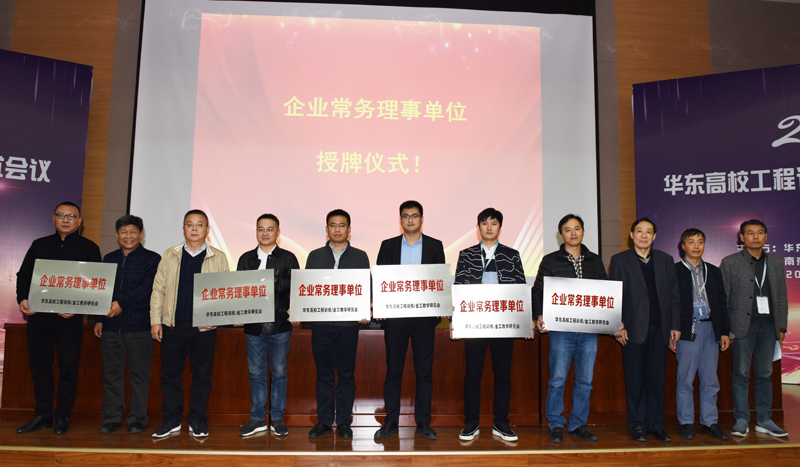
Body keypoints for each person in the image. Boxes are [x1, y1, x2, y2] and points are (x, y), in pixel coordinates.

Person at [15, 201, 101, 434]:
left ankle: (62, 415)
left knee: (68, 368)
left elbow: (96, 284)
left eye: (71, 216)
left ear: (80, 221)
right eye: (61, 215)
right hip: (39, 318)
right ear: (53, 218)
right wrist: (22, 299)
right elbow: (24, 275)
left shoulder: (89, 248)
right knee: (40, 368)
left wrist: (79, 308)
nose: (66, 219)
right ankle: (42, 415)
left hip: (69, 320)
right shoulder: (39, 245)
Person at [150, 209, 229, 439]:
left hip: (204, 328)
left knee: (202, 376)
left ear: (207, 229)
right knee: (170, 376)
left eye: (199, 224)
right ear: (183, 228)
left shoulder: (218, 257)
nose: (194, 229)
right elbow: (158, 289)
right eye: (189, 224)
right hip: (173, 325)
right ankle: (171, 420)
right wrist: (156, 320)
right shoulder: (170, 254)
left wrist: (220, 317)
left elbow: (225, 291)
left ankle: (197, 420)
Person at [374, 201, 445, 441]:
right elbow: (381, 279)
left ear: (422, 219)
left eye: (415, 215)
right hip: (395, 319)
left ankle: (423, 422)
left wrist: (442, 305)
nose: (410, 219)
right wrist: (380, 304)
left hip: (424, 319)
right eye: (406, 216)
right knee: (394, 371)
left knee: (424, 372)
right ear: (400, 220)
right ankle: (391, 421)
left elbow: (439, 279)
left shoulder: (435, 245)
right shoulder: (388, 246)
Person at [532, 214, 607, 443]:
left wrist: (613, 318)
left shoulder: (595, 261)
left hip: (588, 329)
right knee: (557, 378)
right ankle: (555, 423)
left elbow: (606, 293)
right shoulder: (550, 260)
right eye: (567, 229)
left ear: (583, 231)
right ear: (561, 234)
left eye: (577, 228)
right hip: (560, 329)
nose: (573, 233)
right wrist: (538, 315)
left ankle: (578, 424)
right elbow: (538, 290)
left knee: (585, 380)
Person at [454, 208, 527, 442]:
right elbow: (459, 288)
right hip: (475, 325)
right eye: (484, 223)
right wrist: (457, 321)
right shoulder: (466, 255)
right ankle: (471, 423)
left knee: (503, 375)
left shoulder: (512, 255)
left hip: (504, 325)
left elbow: (520, 289)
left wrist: (524, 321)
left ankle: (501, 423)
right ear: (478, 228)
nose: (488, 227)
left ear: (499, 228)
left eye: (493, 223)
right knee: (472, 374)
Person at [609, 217, 680, 442]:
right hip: (632, 330)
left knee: (657, 380)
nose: (644, 235)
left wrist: (675, 325)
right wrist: (618, 323)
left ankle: (656, 425)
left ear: (654, 236)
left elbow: (674, 295)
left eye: (648, 232)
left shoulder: (666, 260)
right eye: (639, 231)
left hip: (660, 329)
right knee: (635, 380)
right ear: (631, 235)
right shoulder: (619, 260)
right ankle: (637, 425)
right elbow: (614, 296)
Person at [305, 209, 370, 440]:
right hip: (321, 326)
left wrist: (365, 309)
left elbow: (365, 288)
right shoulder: (314, 256)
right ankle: (324, 421)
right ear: (327, 229)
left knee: (346, 375)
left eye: (342, 225)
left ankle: (343, 421)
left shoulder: (360, 256)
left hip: (348, 327)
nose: (337, 229)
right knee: (323, 375)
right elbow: (307, 289)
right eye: (333, 225)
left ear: (349, 229)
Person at [720, 219, 788, 438]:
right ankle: (741, 419)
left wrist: (782, 327)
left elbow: (782, 297)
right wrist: (725, 330)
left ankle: (764, 420)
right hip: (741, 328)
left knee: (765, 374)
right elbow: (723, 298)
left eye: (760, 233)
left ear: (766, 236)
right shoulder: (730, 262)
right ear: (741, 237)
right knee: (740, 374)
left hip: (769, 327)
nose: (755, 237)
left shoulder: (775, 263)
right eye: (750, 233)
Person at [94, 215, 161, 434]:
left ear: (141, 234)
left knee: (139, 376)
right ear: (117, 235)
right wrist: (98, 319)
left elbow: (148, 288)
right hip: (111, 327)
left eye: (133, 232)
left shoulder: (152, 259)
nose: (128, 236)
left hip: (139, 327)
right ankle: (112, 418)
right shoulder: (109, 259)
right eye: (124, 232)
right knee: (111, 376)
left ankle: (137, 420)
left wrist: (122, 304)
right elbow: (101, 290)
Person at [236, 214, 299, 437]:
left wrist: (268, 279)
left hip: (279, 326)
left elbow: (296, 286)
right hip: (253, 327)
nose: (265, 233)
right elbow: (238, 289)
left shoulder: (288, 258)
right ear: (256, 231)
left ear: (278, 233)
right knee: (256, 374)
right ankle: (257, 418)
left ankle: (277, 418)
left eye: (270, 229)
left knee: (279, 374)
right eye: (261, 229)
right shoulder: (245, 258)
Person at [674, 228, 730, 441]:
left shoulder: (713, 271)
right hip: (688, 330)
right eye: (691, 242)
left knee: (710, 380)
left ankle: (709, 422)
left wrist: (724, 331)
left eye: (700, 242)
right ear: (683, 246)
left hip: (711, 329)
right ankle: (686, 422)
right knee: (685, 380)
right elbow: (671, 304)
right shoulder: (675, 271)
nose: (696, 246)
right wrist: (673, 330)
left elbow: (722, 303)